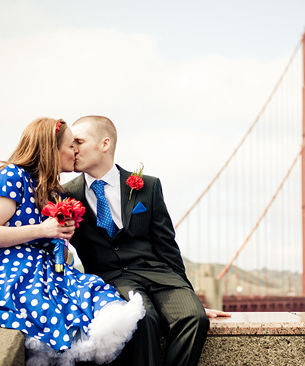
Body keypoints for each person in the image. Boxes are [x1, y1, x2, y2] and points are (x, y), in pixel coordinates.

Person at [0, 117, 145, 366]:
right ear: (51, 148)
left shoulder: (53, 190)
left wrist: (60, 239)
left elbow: (50, 244)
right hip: (6, 271)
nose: (75, 151)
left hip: (47, 272)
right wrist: (44, 229)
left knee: (105, 309)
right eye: (71, 145)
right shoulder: (11, 176)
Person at [64, 115, 230, 366]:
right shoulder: (66, 195)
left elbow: (167, 245)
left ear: (104, 144)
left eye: (79, 141)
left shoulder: (148, 186)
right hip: (111, 278)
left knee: (194, 318)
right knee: (143, 320)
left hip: (160, 275)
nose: (72, 149)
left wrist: (187, 296)